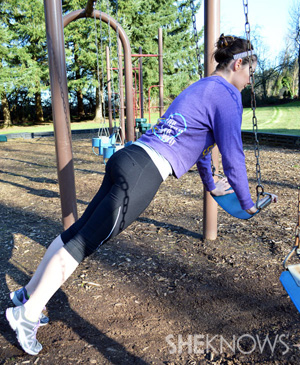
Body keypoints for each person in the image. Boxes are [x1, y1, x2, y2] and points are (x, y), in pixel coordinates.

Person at [5, 34, 277, 355]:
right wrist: (246, 202)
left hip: (128, 157)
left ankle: (27, 294)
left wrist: (212, 184)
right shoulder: (228, 96)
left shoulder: (202, 87)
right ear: (238, 64)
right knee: (83, 243)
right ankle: (27, 312)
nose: (249, 81)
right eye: (250, 73)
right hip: (143, 173)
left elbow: (204, 151)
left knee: (75, 234)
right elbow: (233, 155)